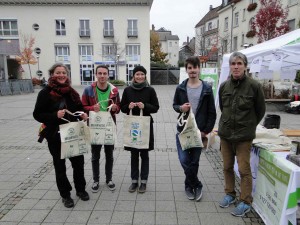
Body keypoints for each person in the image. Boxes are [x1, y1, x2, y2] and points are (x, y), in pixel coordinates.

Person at [33, 63, 90, 208]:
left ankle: (81, 189)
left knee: (78, 164)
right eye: (58, 72)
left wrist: (83, 114)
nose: (61, 75)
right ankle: (65, 195)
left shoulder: (72, 92)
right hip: (55, 135)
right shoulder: (45, 93)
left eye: (64, 72)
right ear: (52, 74)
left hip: (73, 133)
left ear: (67, 75)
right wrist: (54, 115)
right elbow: (37, 114)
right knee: (60, 166)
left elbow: (78, 108)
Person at [218, 52, 265, 217]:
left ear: (245, 66)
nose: (236, 66)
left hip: (244, 137)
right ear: (230, 66)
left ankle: (245, 201)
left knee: (244, 170)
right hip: (225, 135)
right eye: (233, 64)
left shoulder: (254, 86)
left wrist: (248, 126)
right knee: (226, 167)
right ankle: (230, 194)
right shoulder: (224, 86)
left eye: (239, 63)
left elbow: (260, 111)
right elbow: (223, 108)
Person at [173, 56, 216, 202]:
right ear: (187, 70)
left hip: (199, 131)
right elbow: (174, 106)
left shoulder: (207, 89)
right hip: (183, 130)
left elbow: (212, 112)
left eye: (195, 67)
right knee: (184, 160)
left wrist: (206, 130)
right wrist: (181, 108)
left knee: (194, 161)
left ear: (199, 69)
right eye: (190, 68)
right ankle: (197, 184)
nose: (192, 70)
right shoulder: (180, 88)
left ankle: (188, 186)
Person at [120, 65, 159, 193]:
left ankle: (143, 182)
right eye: (137, 74)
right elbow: (122, 108)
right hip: (132, 125)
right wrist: (128, 106)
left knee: (144, 154)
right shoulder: (127, 90)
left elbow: (156, 107)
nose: (140, 76)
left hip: (145, 125)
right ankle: (134, 181)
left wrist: (145, 106)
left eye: (142, 74)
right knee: (134, 154)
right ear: (134, 76)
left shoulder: (150, 90)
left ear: (145, 76)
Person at [81, 65, 120, 193]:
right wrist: (92, 108)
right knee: (95, 155)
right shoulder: (88, 90)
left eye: (104, 73)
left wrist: (115, 108)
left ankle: (109, 179)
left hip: (109, 125)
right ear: (96, 75)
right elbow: (82, 107)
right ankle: (96, 180)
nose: (102, 76)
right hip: (95, 126)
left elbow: (118, 107)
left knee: (109, 155)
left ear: (108, 75)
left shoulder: (114, 90)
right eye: (100, 73)